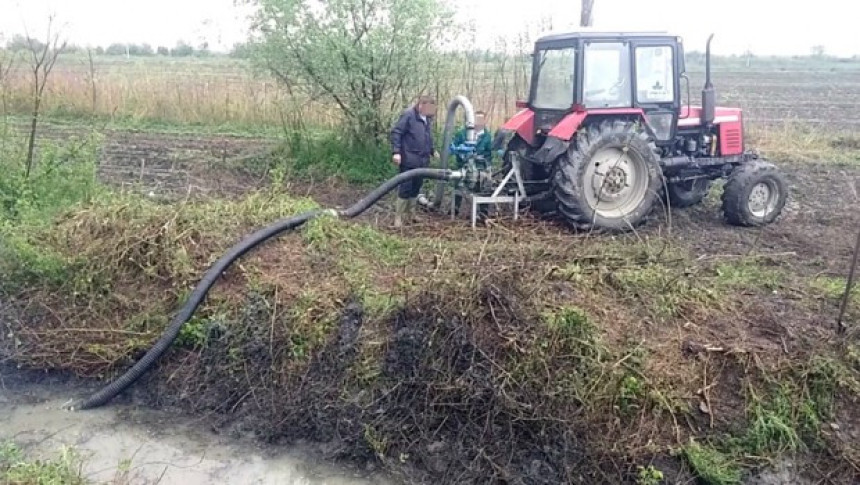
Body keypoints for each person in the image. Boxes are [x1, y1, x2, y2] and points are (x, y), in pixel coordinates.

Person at [390, 95, 437, 228]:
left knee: (416, 187)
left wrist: (432, 150)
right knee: (405, 187)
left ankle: (412, 214)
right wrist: (396, 152)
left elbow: (427, 137)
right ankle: (398, 217)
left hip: (422, 160)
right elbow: (396, 132)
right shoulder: (409, 115)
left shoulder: (427, 119)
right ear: (421, 105)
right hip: (409, 158)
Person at [451, 111, 494, 217]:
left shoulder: (487, 136)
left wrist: (484, 163)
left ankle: (483, 212)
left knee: (484, 186)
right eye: (476, 120)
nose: (478, 122)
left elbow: (489, 153)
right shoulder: (462, 133)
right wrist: (461, 153)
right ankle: (455, 209)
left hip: (481, 167)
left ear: (484, 121)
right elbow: (454, 147)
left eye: (480, 120)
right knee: (459, 186)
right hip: (463, 165)